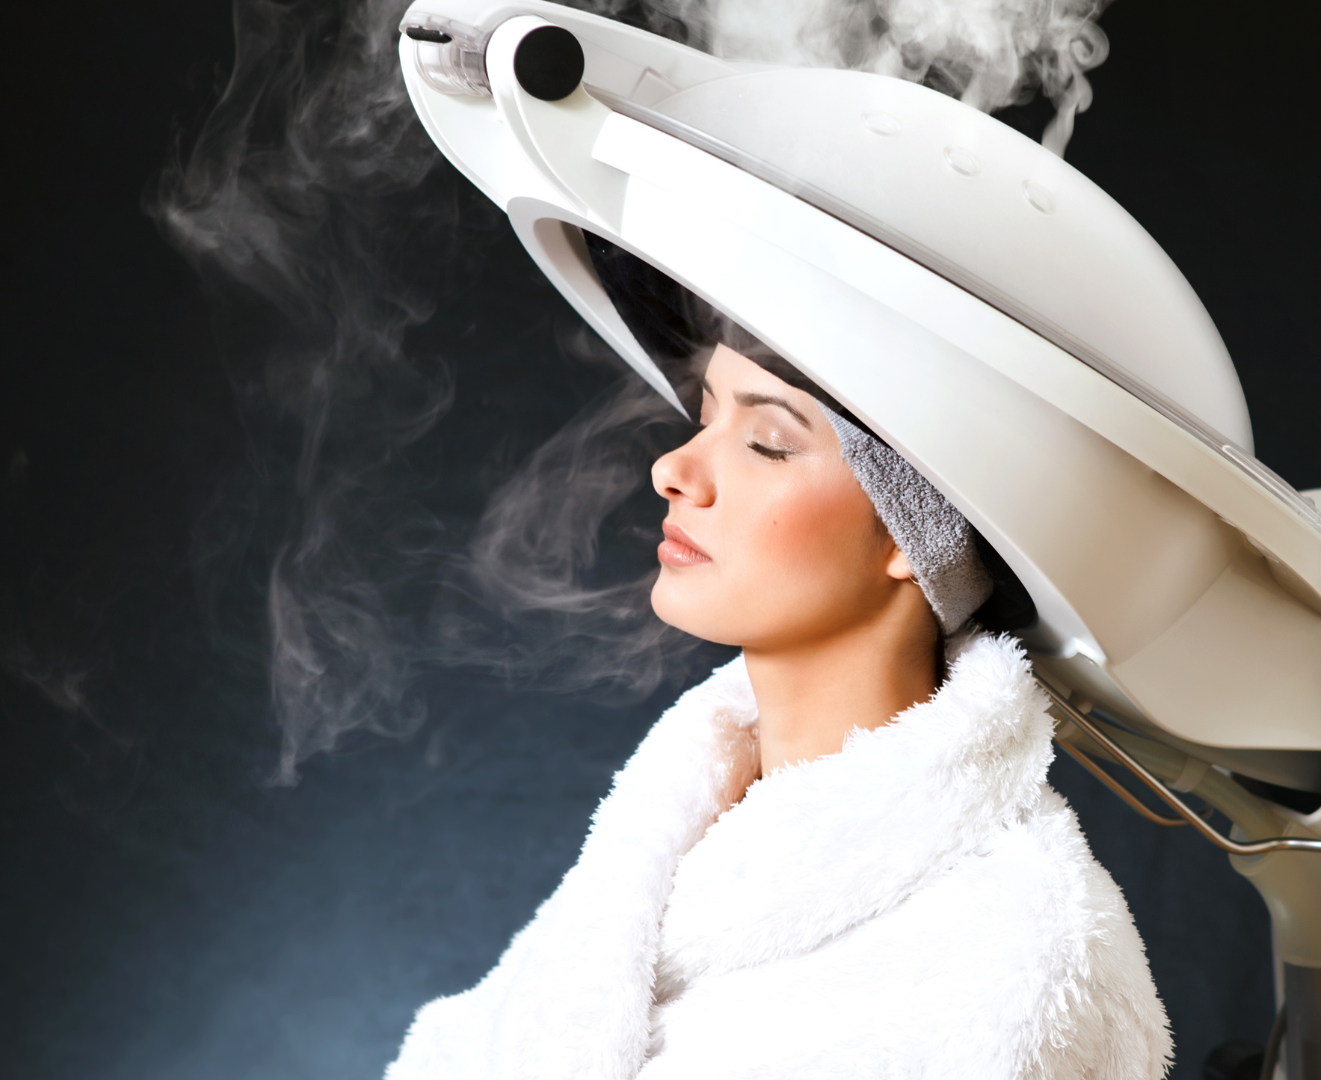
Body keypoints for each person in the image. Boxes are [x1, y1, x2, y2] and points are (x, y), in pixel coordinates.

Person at [384, 249, 1172, 1079]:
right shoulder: (672, 831)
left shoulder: (1014, 952)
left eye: (766, 443)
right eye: (704, 413)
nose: (674, 469)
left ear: (918, 534)